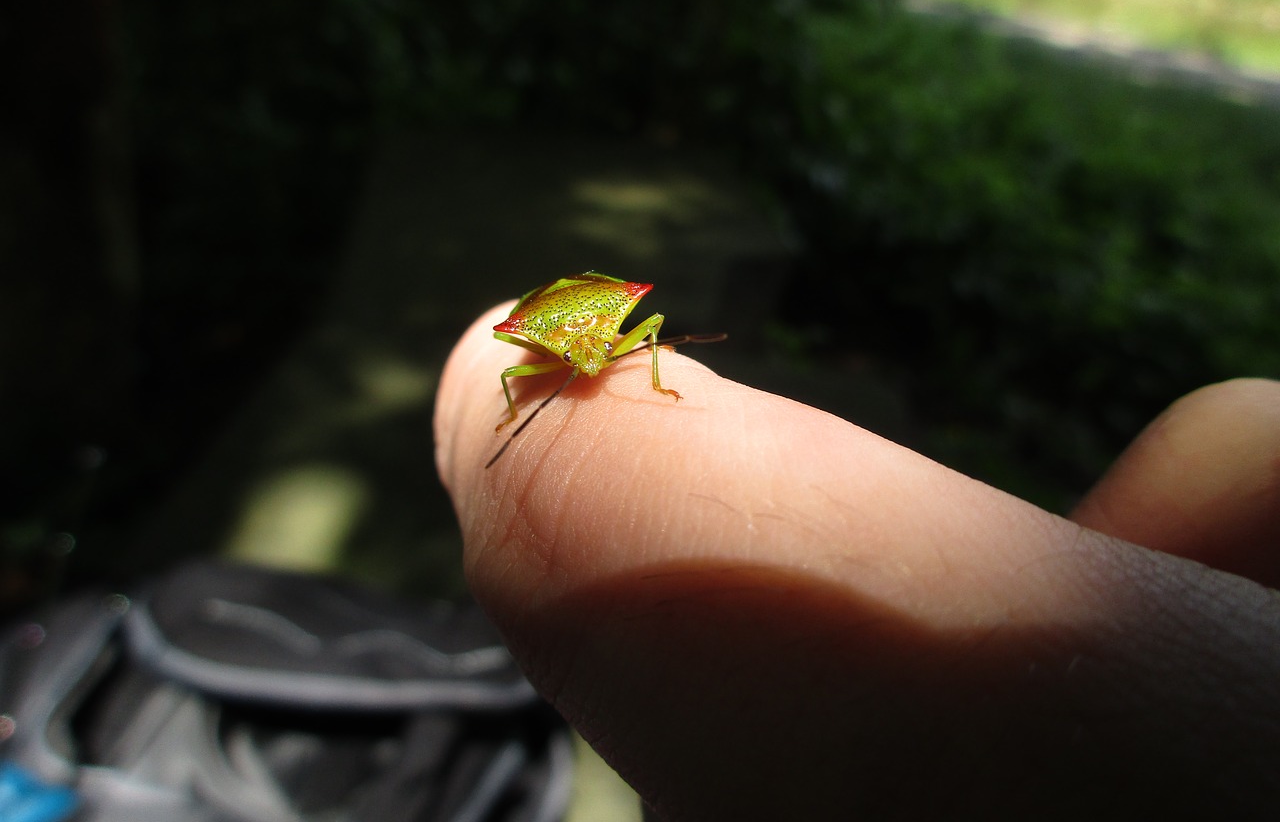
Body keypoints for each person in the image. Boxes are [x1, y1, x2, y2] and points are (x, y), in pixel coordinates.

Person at [433, 303, 1280, 821]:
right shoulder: (541, 354)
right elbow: (523, 357)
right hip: (549, 320)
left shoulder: (623, 331)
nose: (597, 362)